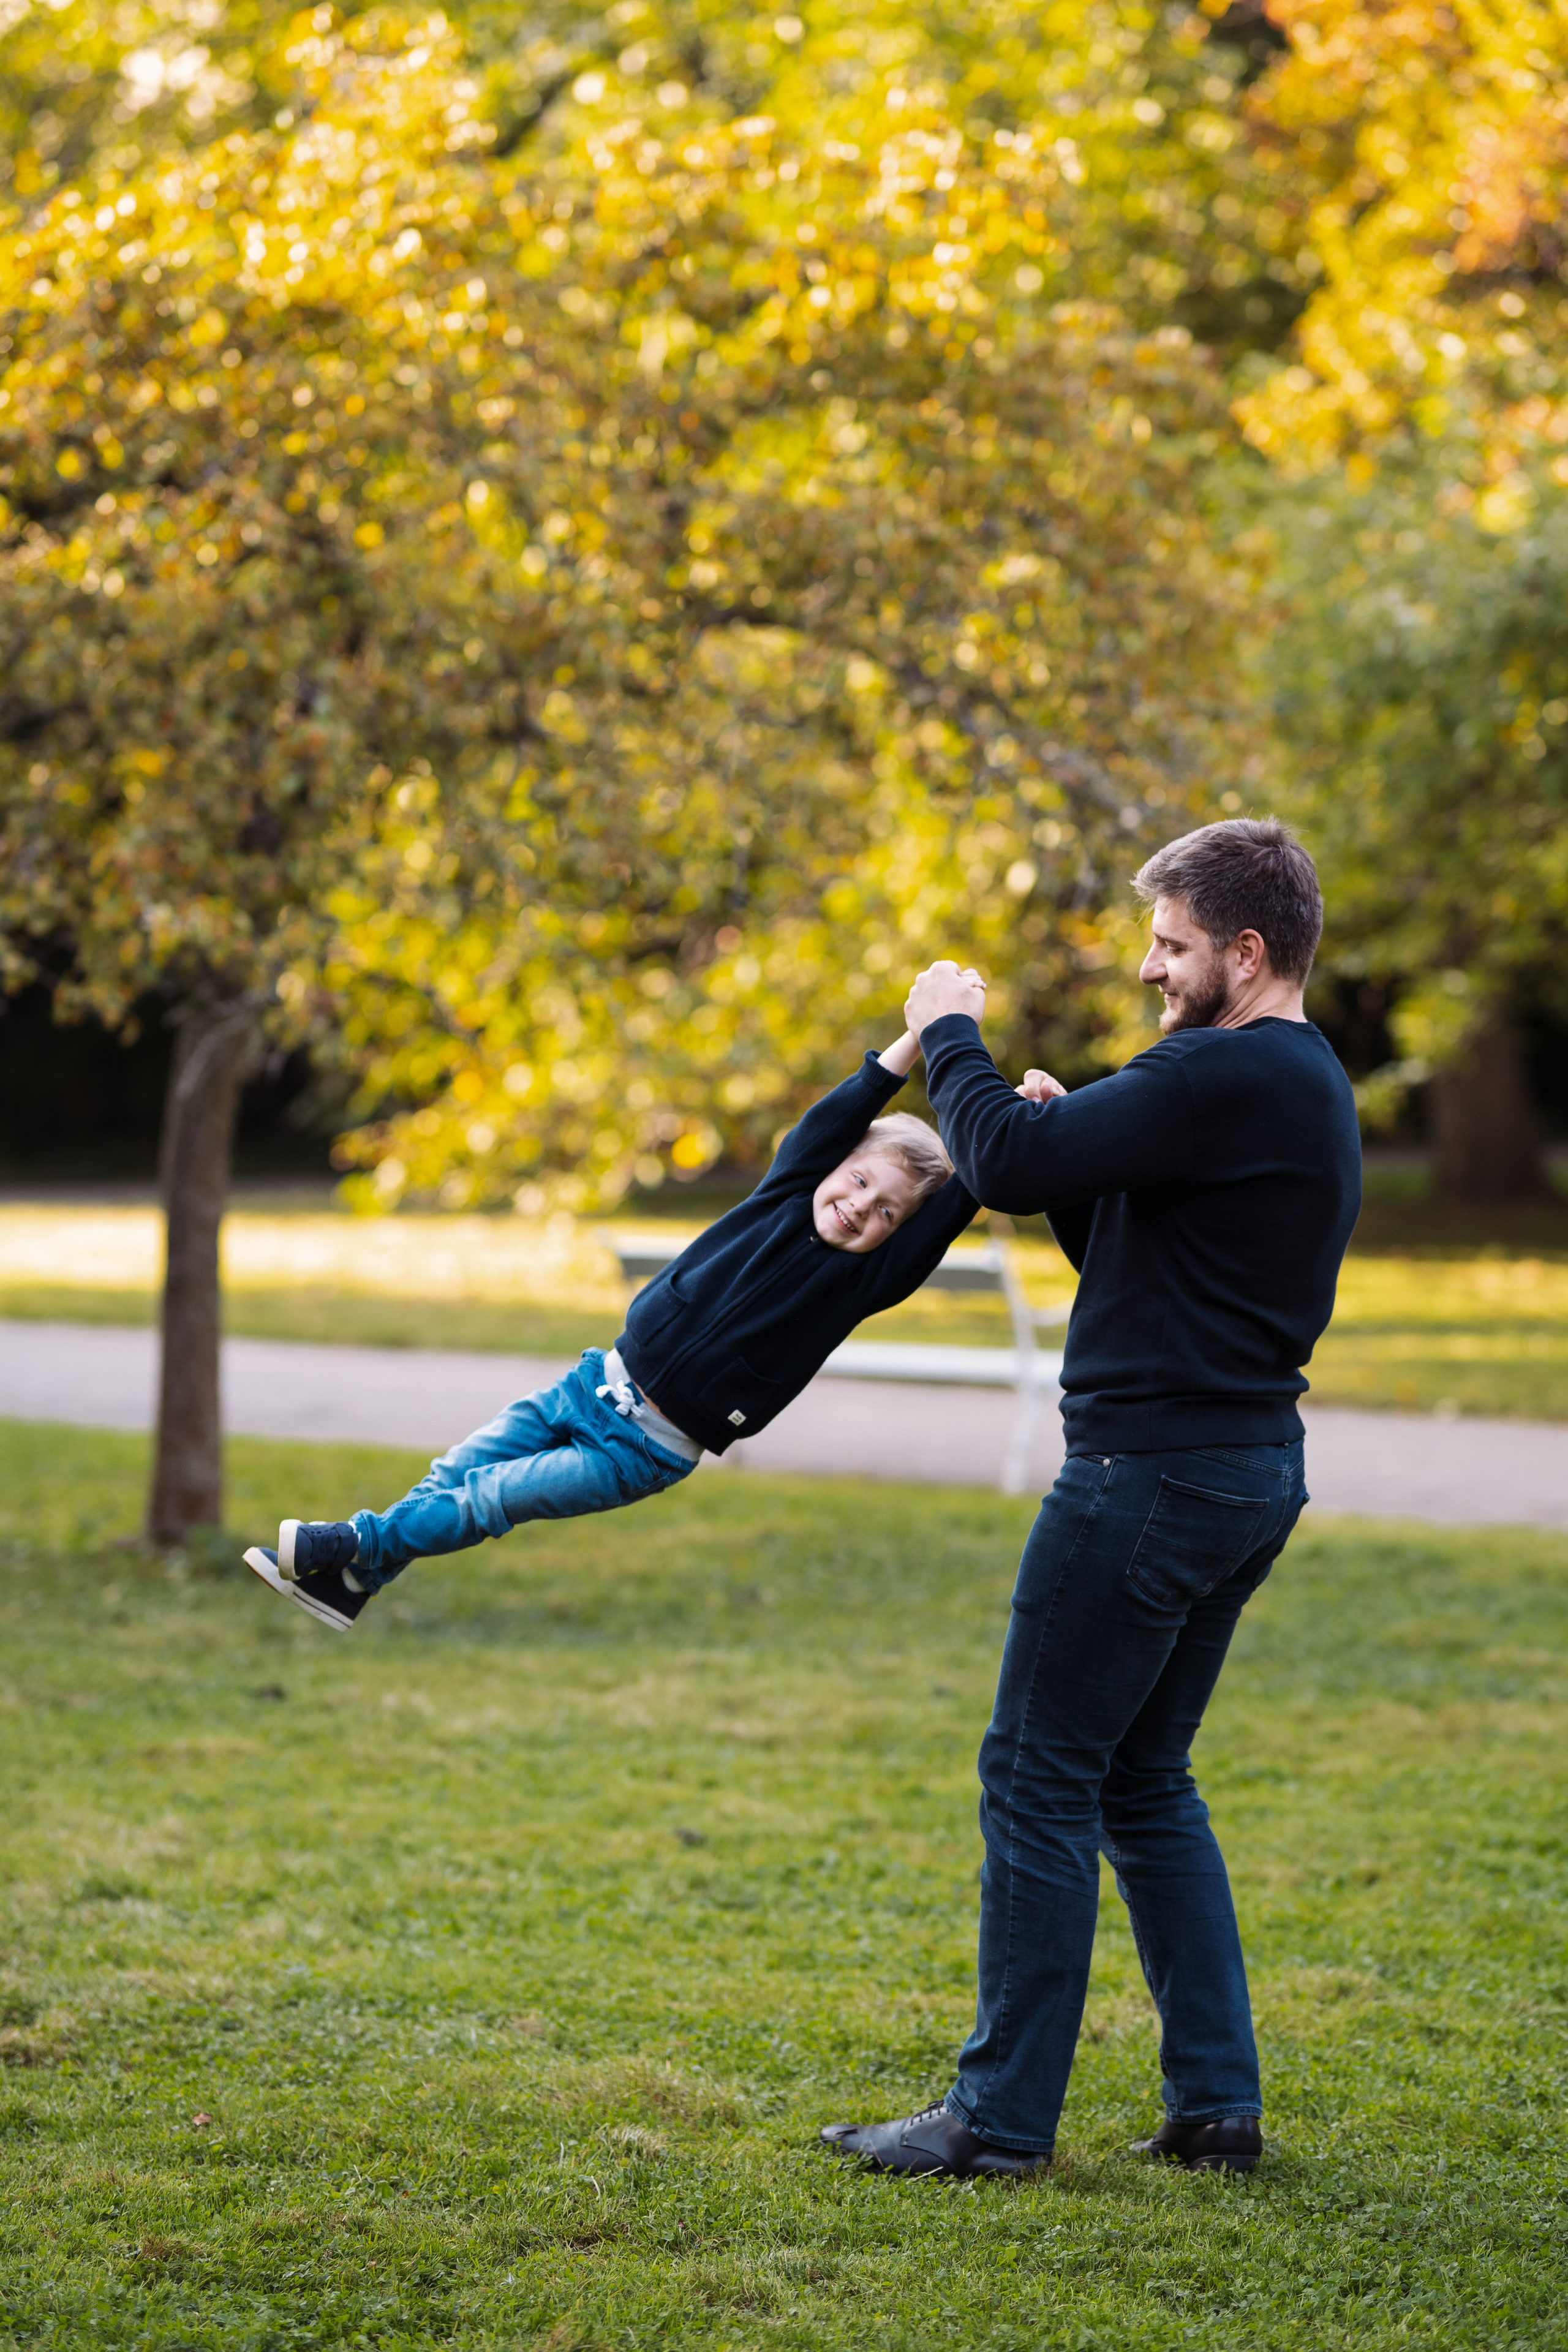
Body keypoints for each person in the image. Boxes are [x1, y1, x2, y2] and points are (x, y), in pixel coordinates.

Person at [821, 816, 1362, 2182]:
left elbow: (990, 1162)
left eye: (1171, 945)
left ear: (1246, 953)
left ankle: (995, 2121)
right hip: (1240, 1471)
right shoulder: (1294, 1083)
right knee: (1140, 1780)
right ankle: (1214, 2108)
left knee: (1035, 1776)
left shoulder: (1218, 1071)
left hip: (1147, 1477)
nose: (1147, 968)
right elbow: (1126, 1246)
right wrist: (1067, 1147)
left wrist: (949, 1034)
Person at [243, 1028, 978, 1630]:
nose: (860, 1208)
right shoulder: (783, 1194)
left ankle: (351, 1543)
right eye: (858, 1181)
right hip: (589, 1384)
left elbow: (953, 1206)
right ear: (833, 1166)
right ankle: (350, 1585)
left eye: (886, 1211)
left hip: (641, 1452)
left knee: (488, 1497)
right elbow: (836, 1117)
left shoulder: (862, 1282)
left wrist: (1011, 1118)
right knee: (455, 1472)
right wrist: (917, 1034)